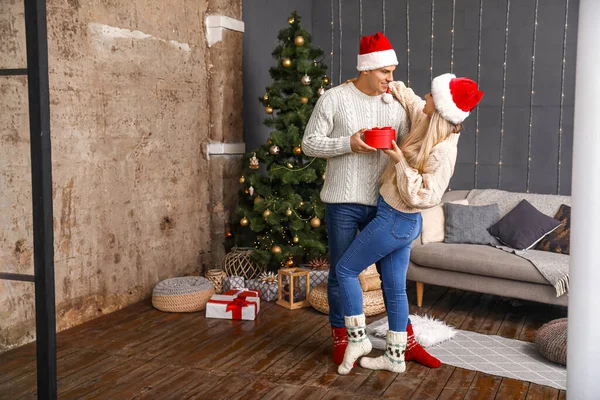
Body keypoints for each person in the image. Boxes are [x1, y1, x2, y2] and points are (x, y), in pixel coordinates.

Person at [302, 32, 440, 369]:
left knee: (393, 280)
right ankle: (343, 341)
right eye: (385, 73)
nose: (391, 80)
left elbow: (411, 143)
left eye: (393, 72)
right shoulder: (333, 99)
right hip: (344, 202)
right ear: (366, 70)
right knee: (340, 274)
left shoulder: (394, 101)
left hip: (387, 204)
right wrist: (348, 143)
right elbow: (309, 144)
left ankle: (404, 345)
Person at [335, 73, 484, 375]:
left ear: (441, 107)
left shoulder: (445, 150)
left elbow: (424, 196)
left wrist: (400, 160)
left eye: (431, 95)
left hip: (396, 221)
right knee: (395, 288)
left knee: (345, 269)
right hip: (399, 222)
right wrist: (390, 83)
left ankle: (357, 339)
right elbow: (412, 99)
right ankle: (395, 356)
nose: (426, 97)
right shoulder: (428, 119)